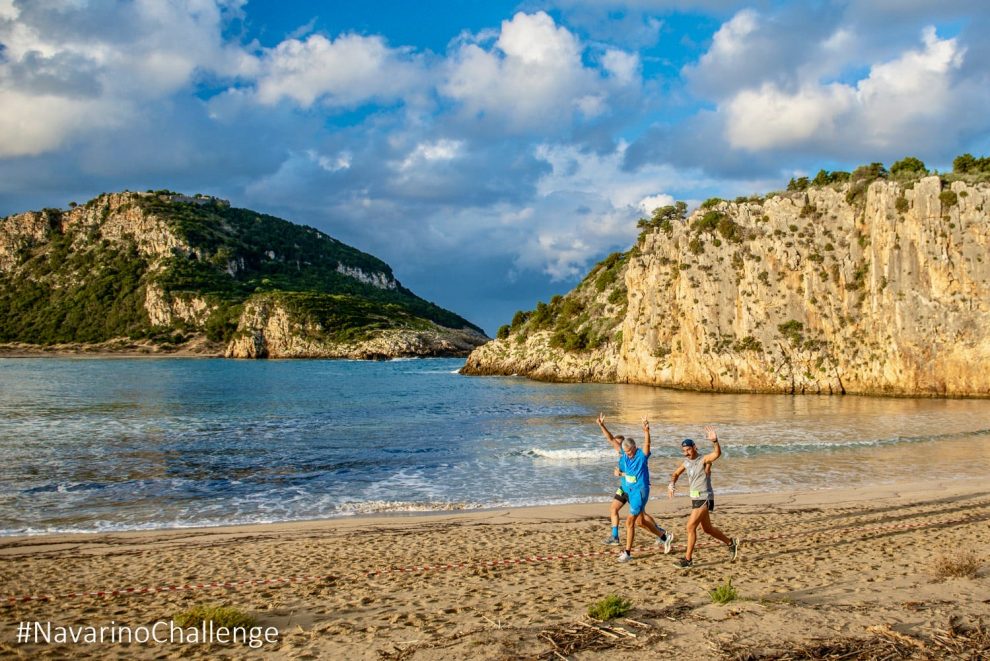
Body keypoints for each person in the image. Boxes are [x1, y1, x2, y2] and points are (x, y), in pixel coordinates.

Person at [597, 413, 672, 562]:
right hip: (628, 490)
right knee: (640, 522)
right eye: (626, 452)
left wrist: (646, 431)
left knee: (629, 522)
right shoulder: (624, 455)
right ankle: (664, 536)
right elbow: (611, 439)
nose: (628, 455)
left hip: (640, 491)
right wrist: (601, 425)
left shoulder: (641, 455)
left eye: (630, 452)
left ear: (635, 448)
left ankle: (627, 554)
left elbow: (647, 445)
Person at [667, 425, 739, 568]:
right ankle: (731, 543)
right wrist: (672, 484)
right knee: (707, 529)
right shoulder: (686, 463)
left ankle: (688, 560)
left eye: (688, 449)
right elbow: (676, 473)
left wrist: (715, 441)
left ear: (694, 447)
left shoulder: (704, 460)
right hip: (695, 499)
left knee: (690, 527)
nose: (686, 453)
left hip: (704, 497)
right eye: (684, 451)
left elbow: (717, 454)